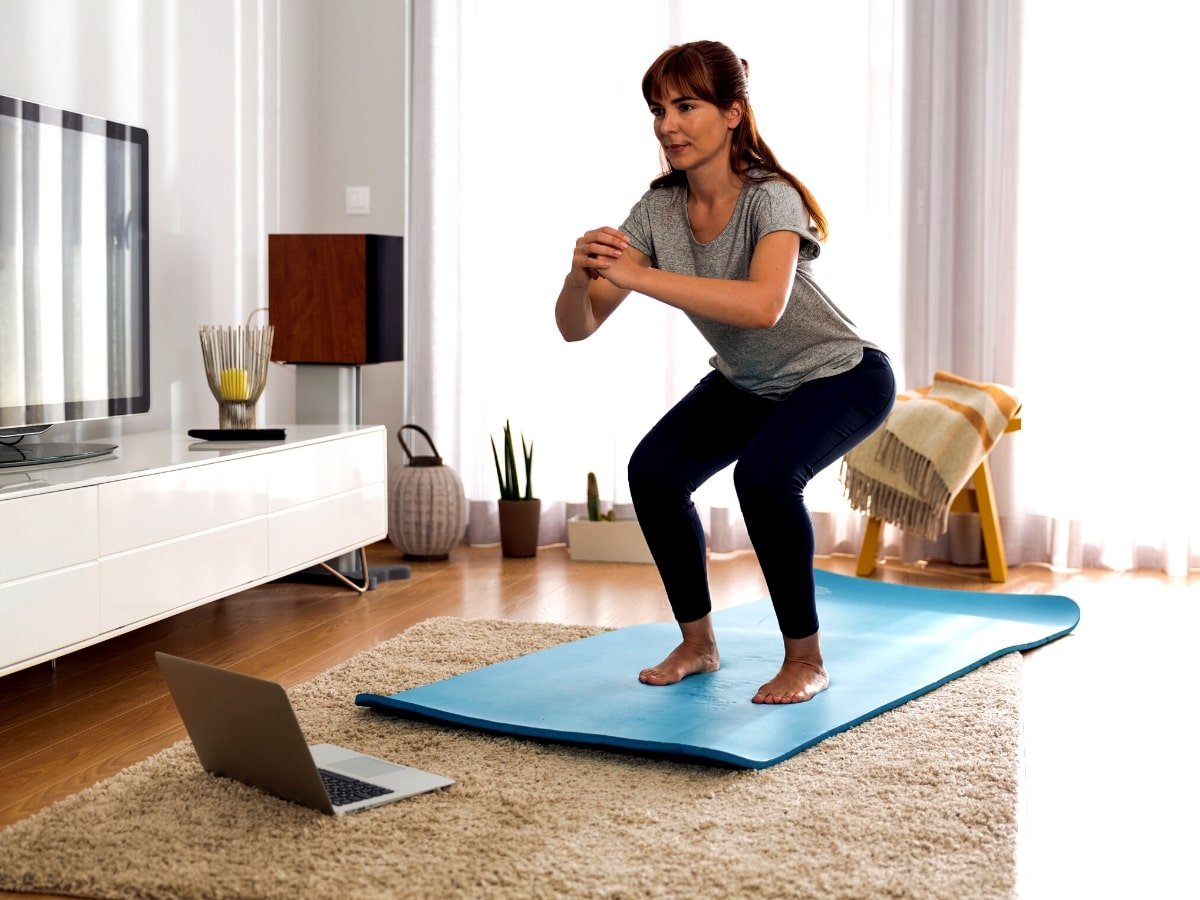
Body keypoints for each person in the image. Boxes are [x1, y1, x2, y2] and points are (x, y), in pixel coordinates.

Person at [554, 40, 895, 704]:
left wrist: (643, 276)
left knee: (765, 478)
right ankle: (698, 642)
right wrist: (578, 275)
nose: (667, 125)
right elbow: (578, 324)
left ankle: (805, 659)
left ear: (733, 113)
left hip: (841, 375)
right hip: (751, 385)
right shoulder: (656, 212)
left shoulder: (773, 198)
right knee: (653, 473)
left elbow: (763, 306)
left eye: (687, 106)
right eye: (658, 109)